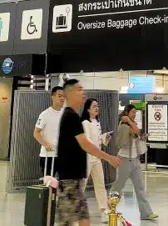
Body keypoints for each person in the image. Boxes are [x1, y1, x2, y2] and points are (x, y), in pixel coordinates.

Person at [54, 80, 120, 226]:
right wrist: (109, 157)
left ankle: (104, 209)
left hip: (75, 178)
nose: (82, 92)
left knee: (84, 221)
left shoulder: (75, 117)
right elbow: (85, 144)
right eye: (79, 89)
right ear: (70, 94)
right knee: (67, 222)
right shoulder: (71, 117)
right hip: (69, 180)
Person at [114, 105, 157, 221]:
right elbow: (136, 132)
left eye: (135, 113)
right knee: (118, 187)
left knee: (140, 187)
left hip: (135, 160)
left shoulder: (132, 124)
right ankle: (110, 210)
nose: (134, 115)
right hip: (124, 160)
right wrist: (129, 121)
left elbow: (139, 134)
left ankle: (146, 213)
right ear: (127, 113)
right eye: (132, 112)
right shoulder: (123, 125)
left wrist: (140, 133)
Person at [80, 98, 109, 219]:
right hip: (86, 158)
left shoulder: (97, 122)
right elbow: (87, 141)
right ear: (88, 109)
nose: (97, 108)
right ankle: (75, 210)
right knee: (81, 185)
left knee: (100, 184)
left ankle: (104, 210)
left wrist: (104, 139)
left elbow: (98, 140)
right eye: (94, 106)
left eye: (97, 106)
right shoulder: (85, 123)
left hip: (96, 158)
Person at [33, 84, 64, 176]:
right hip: (49, 155)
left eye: (64, 96)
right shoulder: (45, 114)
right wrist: (45, 144)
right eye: (59, 96)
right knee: (49, 182)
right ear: (53, 97)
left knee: (65, 182)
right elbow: (36, 133)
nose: (62, 98)